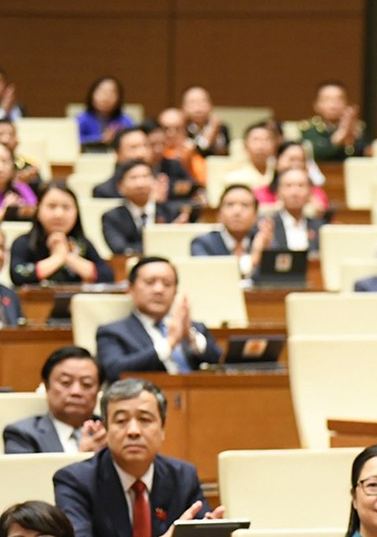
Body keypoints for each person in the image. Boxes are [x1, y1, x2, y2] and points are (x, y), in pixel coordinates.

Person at [52, 378, 215, 537]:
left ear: (162, 429)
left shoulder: (182, 475)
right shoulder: (75, 480)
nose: (133, 431)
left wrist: (210, 531)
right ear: (106, 429)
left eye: (145, 420)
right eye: (121, 421)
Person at [94, 256, 223, 378]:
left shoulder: (196, 329)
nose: (159, 290)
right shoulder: (112, 332)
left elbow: (222, 365)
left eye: (167, 284)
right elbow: (115, 371)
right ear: (130, 289)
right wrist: (170, 342)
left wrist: (190, 338)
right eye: (150, 282)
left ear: (175, 292)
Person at [4, 346, 105, 454]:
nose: (76, 392)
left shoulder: (111, 431)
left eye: (86, 384)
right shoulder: (22, 435)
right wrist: (83, 459)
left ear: (98, 390)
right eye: (66, 382)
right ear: (47, 386)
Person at [8, 181, 112, 286]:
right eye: (52, 206)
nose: (59, 214)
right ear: (38, 210)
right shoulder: (23, 243)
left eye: (66, 208)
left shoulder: (83, 244)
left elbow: (107, 276)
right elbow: (18, 275)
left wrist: (68, 257)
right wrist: (57, 258)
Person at [190, 183, 267, 278]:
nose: (237, 211)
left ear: (256, 215)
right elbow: (211, 277)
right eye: (230, 205)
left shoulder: (263, 241)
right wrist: (253, 259)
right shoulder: (203, 244)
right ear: (219, 214)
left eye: (245, 205)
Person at [99, 160, 175, 256]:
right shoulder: (112, 217)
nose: (140, 184)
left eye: (145, 176)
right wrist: (158, 246)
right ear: (120, 186)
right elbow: (120, 249)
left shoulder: (171, 212)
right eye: (133, 178)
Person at [262, 165, 323, 256]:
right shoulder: (267, 225)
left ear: (310, 192)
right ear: (278, 192)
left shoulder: (320, 227)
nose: (295, 192)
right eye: (288, 186)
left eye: (301, 185)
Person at [300, 81, 368, 162]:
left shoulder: (358, 127)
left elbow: (366, 152)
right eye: (327, 99)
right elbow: (317, 153)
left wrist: (350, 135)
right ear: (316, 105)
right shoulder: (309, 128)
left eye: (339, 99)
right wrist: (342, 132)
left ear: (346, 103)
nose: (333, 105)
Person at [76, 76, 132, 148]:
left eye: (111, 93)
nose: (105, 98)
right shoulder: (82, 119)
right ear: (92, 95)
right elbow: (72, 140)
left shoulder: (124, 120)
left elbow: (133, 139)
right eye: (101, 92)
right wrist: (100, 139)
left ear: (119, 98)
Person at [181, 86, 230, 157]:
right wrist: (211, 131)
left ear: (211, 105)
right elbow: (197, 152)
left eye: (203, 102)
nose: (198, 108)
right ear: (183, 107)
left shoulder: (221, 127)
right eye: (192, 102)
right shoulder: (182, 129)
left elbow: (225, 154)